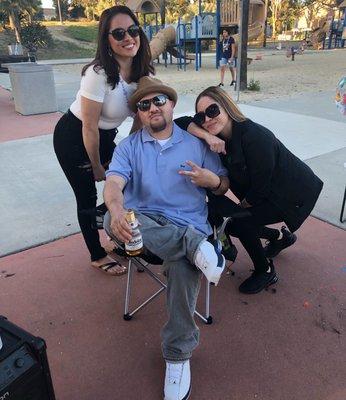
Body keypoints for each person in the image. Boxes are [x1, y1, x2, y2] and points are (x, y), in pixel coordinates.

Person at [103, 77, 229, 400]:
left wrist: (211, 179)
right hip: (143, 226)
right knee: (108, 217)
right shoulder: (128, 147)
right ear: (139, 115)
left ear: (172, 104)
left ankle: (177, 356)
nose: (153, 108)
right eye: (144, 105)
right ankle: (198, 248)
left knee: (184, 267)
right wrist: (116, 210)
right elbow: (114, 186)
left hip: (188, 221)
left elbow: (223, 185)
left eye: (159, 100)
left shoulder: (196, 143)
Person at [175, 86, 323, 294]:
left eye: (213, 111)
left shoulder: (254, 136)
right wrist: (207, 137)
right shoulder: (217, 136)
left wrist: (242, 207)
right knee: (231, 222)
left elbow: (259, 189)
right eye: (201, 116)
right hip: (264, 192)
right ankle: (279, 238)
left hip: (292, 194)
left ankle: (266, 270)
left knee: (241, 223)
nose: (207, 119)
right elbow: (179, 123)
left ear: (226, 107)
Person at [53, 6, 154, 276]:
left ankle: (113, 226)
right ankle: (96, 254)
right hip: (74, 137)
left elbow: (138, 120)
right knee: (86, 195)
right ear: (106, 39)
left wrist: (130, 155)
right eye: (118, 33)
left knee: (128, 183)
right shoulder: (98, 73)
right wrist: (97, 166)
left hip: (106, 135)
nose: (128, 38)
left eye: (133, 30)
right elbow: (88, 126)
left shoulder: (144, 72)